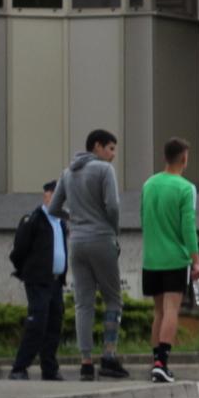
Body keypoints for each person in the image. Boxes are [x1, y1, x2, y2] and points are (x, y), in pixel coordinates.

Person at [49, 129, 128, 381]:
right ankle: (109, 355)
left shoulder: (67, 173)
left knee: (83, 304)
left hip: (77, 243)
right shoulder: (105, 171)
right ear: (97, 146)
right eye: (111, 148)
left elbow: (53, 207)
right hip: (102, 239)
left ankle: (85, 363)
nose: (113, 155)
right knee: (113, 299)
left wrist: (74, 219)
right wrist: (113, 231)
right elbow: (113, 206)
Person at [140, 137, 199, 383]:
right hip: (175, 258)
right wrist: (195, 259)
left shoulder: (148, 184)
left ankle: (156, 362)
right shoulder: (186, 188)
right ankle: (162, 363)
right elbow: (189, 226)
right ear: (184, 158)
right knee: (171, 310)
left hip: (151, 258)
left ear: (165, 156)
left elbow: (144, 219)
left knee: (158, 312)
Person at [6, 180, 68, 381]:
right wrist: (27, 271)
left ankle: (49, 369)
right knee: (37, 323)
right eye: (54, 194)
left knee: (54, 323)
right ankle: (19, 368)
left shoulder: (61, 222)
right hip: (38, 280)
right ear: (46, 196)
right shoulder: (34, 220)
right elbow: (19, 250)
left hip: (56, 282)